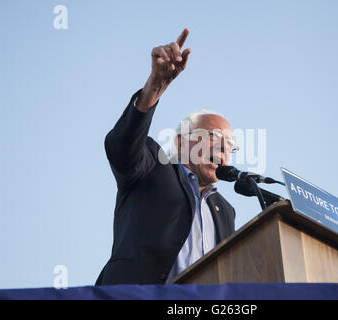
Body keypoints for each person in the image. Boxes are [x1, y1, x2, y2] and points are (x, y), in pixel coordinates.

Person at [95, 28, 237, 285]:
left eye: (230, 144)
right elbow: (121, 147)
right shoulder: (152, 165)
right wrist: (155, 84)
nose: (223, 149)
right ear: (182, 141)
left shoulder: (225, 211)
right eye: (214, 137)